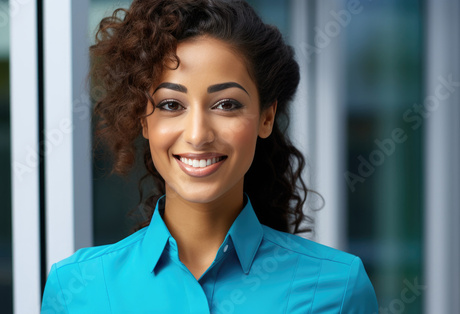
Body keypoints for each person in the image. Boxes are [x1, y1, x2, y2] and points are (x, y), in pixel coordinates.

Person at [41, 0, 378, 313]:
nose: (198, 134)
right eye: (171, 105)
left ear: (266, 117)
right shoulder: (77, 288)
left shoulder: (339, 288)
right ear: (142, 120)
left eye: (226, 105)